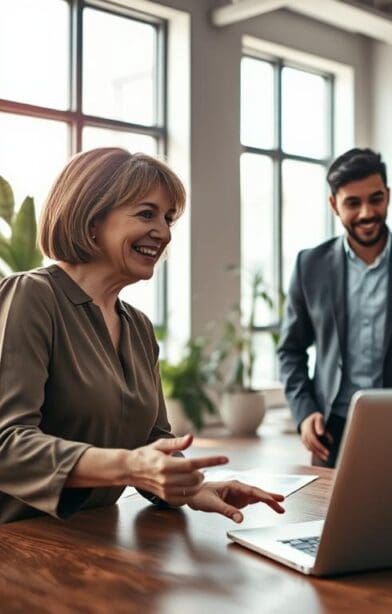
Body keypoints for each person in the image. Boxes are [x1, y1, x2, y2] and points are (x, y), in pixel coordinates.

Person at [0, 148, 285, 524]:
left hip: (98, 541)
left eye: (168, 219)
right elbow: (7, 445)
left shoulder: (137, 327)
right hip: (23, 545)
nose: (164, 233)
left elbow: (153, 440)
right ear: (91, 219)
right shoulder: (32, 295)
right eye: (146, 214)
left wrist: (194, 486)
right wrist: (129, 466)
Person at [277, 148, 392, 468]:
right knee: (328, 519)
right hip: (330, 430)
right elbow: (290, 351)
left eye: (375, 199)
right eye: (353, 203)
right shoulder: (310, 265)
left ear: (388, 196)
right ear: (334, 204)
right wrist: (305, 412)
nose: (367, 213)